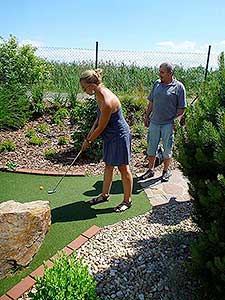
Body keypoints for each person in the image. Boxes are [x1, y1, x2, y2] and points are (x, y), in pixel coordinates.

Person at [80, 69, 133, 212]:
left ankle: (127, 201)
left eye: (84, 88)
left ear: (92, 85)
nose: (84, 91)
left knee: (123, 168)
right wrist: (89, 133)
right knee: (109, 165)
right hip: (110, 135)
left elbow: (101, 127)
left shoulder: (107, 100)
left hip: (119, 135)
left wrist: (88, 141)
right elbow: (99, 119)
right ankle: (104, 195)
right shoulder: (98, 94)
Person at [139, 62, 186, 182]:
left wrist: (174, 122)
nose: (159, 74)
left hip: (168, 125)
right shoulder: (157, 84)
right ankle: (150, 170)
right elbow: (151, 102)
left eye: (162, 72)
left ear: (170, 73)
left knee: (167, 150)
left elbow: (181, 109)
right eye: (159, 71)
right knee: (151, 148)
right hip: (154, 122)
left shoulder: (179, 87)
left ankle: (165, 171)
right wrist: (146, 116)